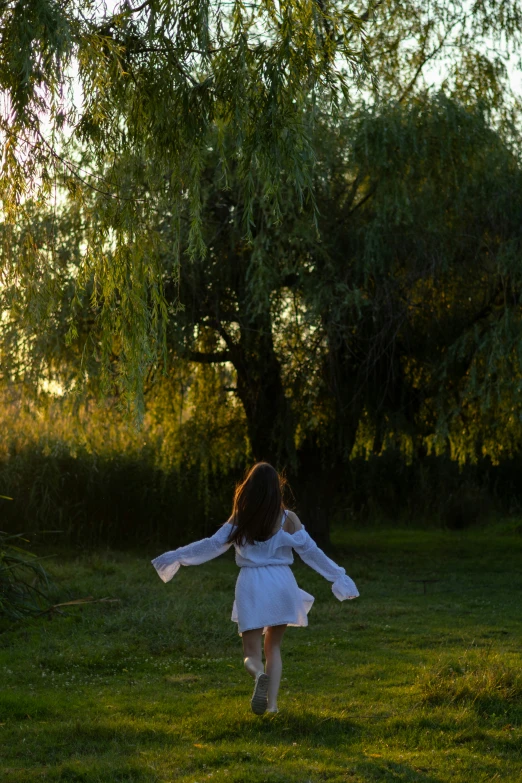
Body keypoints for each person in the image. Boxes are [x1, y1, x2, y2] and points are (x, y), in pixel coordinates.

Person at [151, 462, 359, 715]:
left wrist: (176, 556)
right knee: (274, 647)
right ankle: (271, 706)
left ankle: (258, 674)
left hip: (251, 583)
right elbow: (312, 553)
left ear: (249, 488)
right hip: (282, 582)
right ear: (276, 489)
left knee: (251, 652)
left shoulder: (242, 516)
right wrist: (338, 576)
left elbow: (213, 544)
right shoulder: (288, 519)